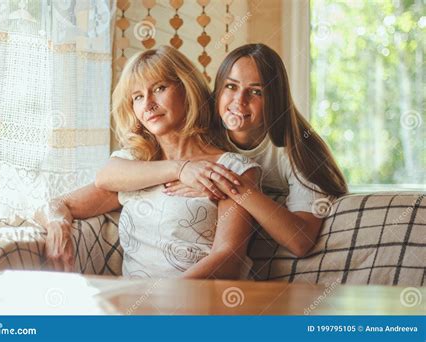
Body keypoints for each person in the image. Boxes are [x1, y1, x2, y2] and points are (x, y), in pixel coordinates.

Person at [99, 44, 348, 258]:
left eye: (255, 92)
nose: (239, 101)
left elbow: (300, 241)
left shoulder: (300, 150)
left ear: (275, 98)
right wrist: (184, 170)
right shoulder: (204, 128)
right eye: (231, 86)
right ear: (217, 90)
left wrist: (223, 185)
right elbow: (111, 178)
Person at [41, 45, 261, 279]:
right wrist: (57, 224)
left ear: (187, 89)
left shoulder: (231, 168)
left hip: (199, 306)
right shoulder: (136, 170)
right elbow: (60, 203)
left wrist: (162, 298)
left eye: (159, 88)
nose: (148, 105)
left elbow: (228, 257)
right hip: (133, 306)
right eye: (137, 97)